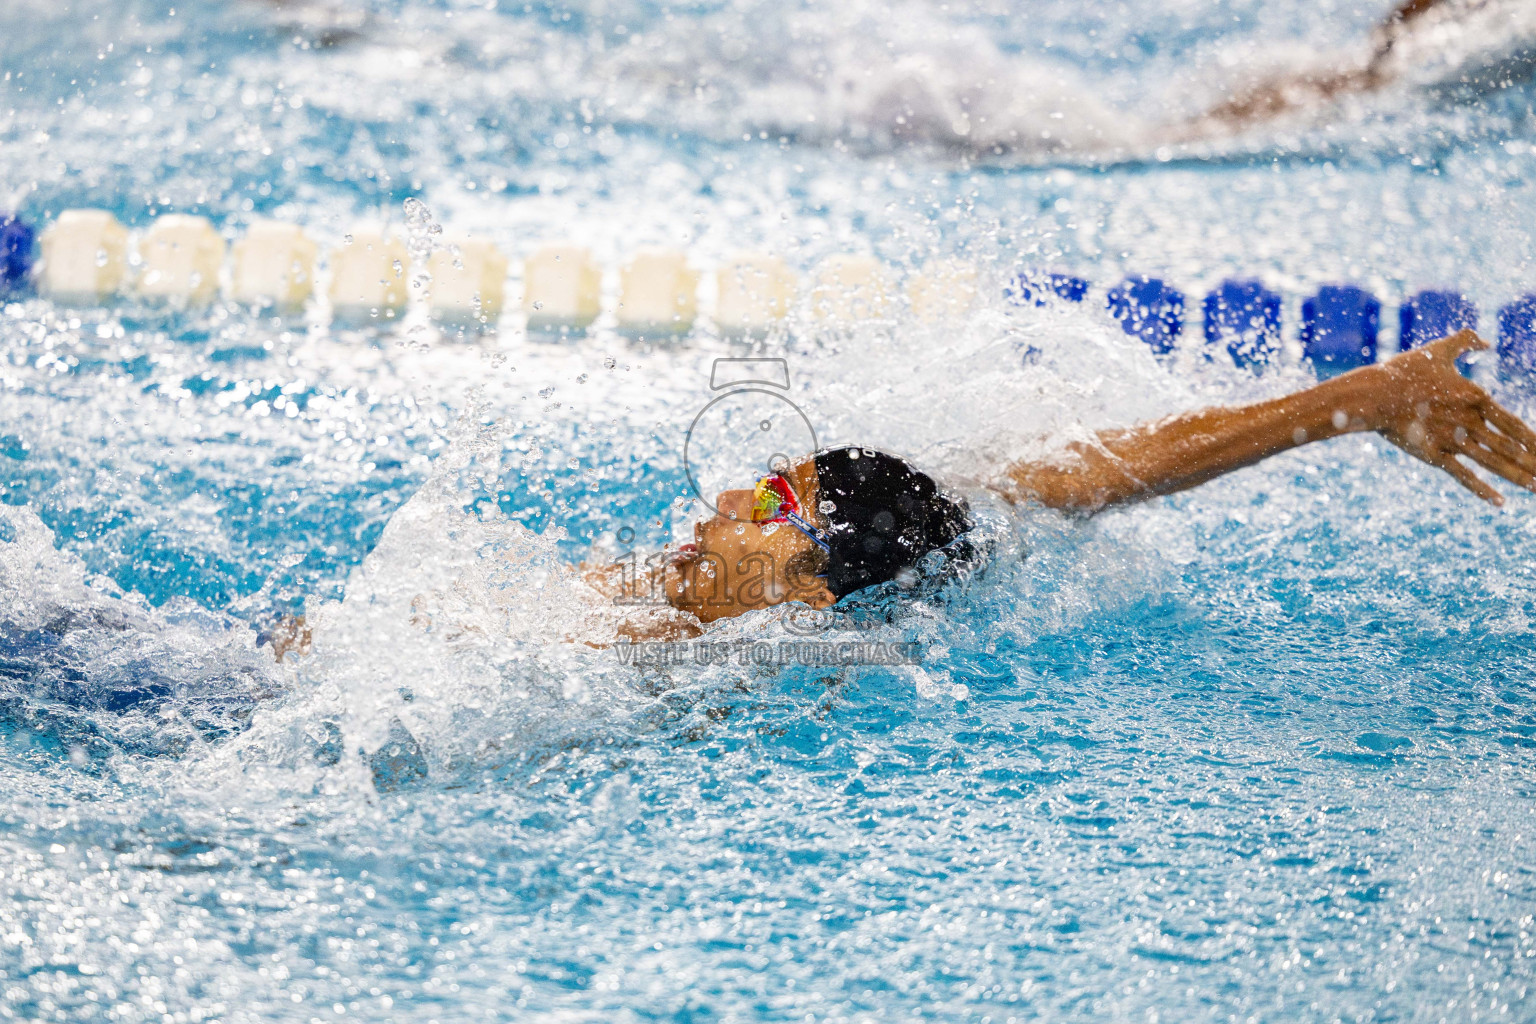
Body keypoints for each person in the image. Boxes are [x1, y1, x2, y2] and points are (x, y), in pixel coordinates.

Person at [266, 329, 1535, 657]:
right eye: (755, 485)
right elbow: (1073, 479)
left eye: (766, 510)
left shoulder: (665, 644)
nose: (719, 504)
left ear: (812, 593)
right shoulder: (846, 572)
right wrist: (1353, 397)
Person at [1187, 0, 1492, 134]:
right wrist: (1387, 42)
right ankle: (1197, 128)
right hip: (1419, 55)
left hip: (1440, 46)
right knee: (1354, 83)